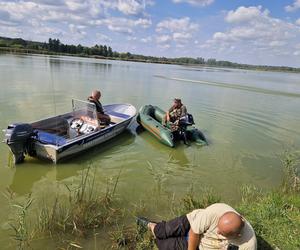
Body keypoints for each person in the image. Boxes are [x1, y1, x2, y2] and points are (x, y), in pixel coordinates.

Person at [136, 203, 257, 250]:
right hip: (193, 223)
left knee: (162, 244)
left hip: (202, 245)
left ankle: (156, 235)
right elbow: (194, 231)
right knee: (161, 232)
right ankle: (151, 225)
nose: (218, 231)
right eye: (218, 227)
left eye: (222, 233)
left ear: (237, 235)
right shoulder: (216, 211)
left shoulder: (248, 246)